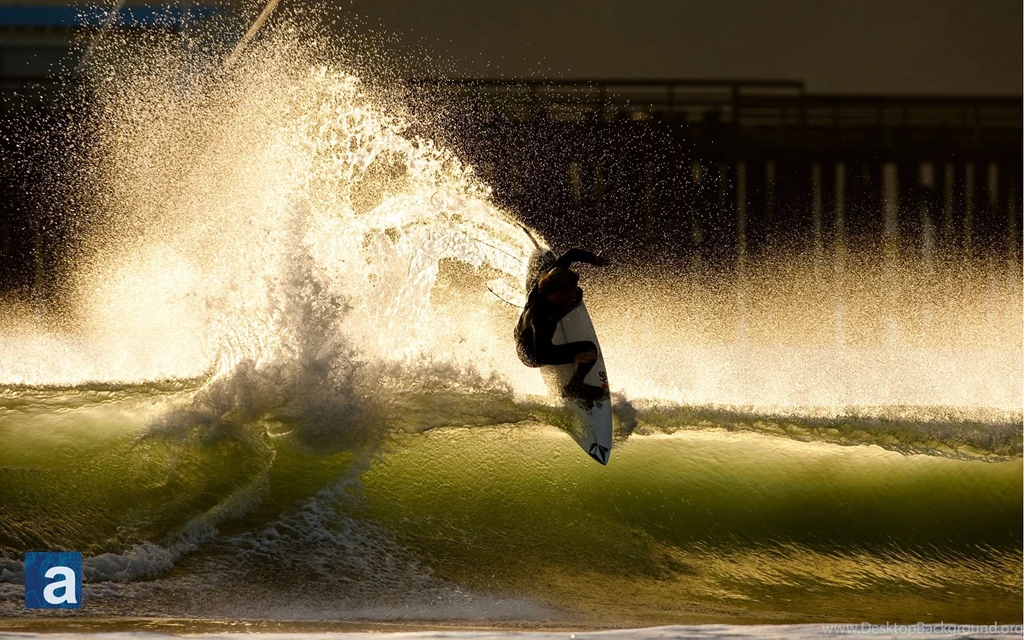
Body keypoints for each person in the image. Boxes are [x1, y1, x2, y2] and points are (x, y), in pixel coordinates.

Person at [515, 248, 609, 400]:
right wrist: (575, 357)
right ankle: (574, 387)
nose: (573, 293)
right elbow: (541, 356)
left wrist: (594, 259)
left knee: (578, 296)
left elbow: (570, 255)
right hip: (530, 353)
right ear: (558, 292)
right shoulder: (542, 317)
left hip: (527, 332)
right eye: (570, 291)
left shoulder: (546, 285)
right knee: (590, 349)